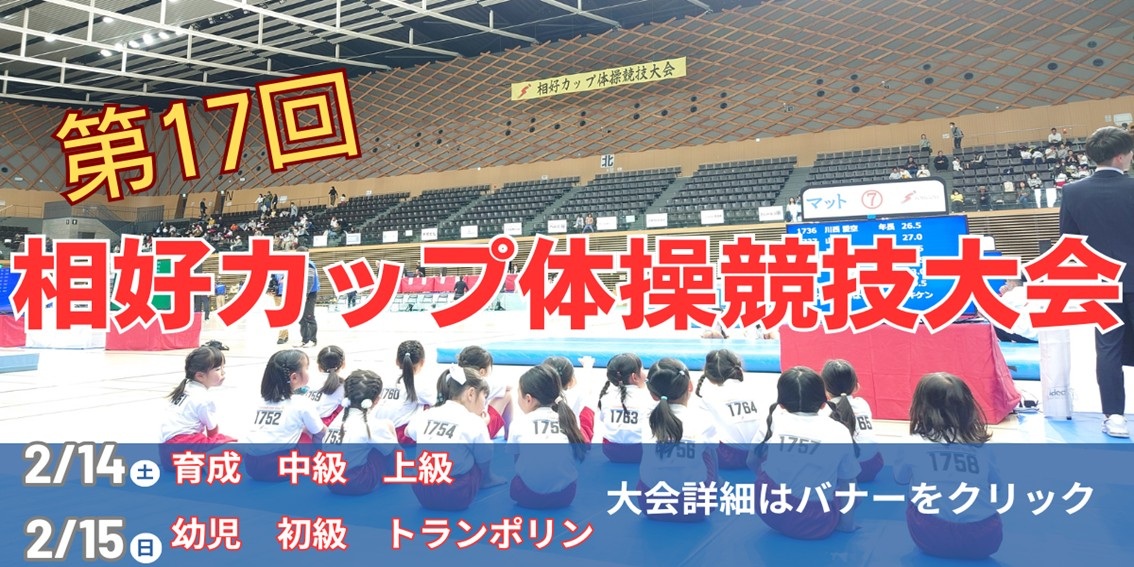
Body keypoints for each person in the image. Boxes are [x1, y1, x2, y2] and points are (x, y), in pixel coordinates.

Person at [1059, 126, 1134, 438]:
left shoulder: (1072, 192)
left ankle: (1114, 417)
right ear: (1120, 157)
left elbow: (1069, 243)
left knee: (1108, 350)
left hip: (1101, 283)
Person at [893, 373, 1001, 559]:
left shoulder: (912, 442)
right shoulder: (982, 446)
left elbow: (900, 478)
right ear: (968, 407)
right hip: (984, 538)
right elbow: (997, 486)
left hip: (931, 536)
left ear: (920, 407)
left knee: (913, 489)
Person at [749, 367, 859, 539]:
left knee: (766, 454)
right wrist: (847, 525)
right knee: (852, 490)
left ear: (781, 404)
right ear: (824, 403)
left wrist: (770, 479)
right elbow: (848, 482)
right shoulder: (838, 430)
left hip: (767, 509)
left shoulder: (774, 421)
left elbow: (751, 461)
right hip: (815, 522)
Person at [405, 365, 505, 509]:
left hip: (422, 492)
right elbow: (484, 457)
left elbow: (408, 432)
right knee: (476, 451)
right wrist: (481, 425)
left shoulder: (427, 414)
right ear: (471, 394)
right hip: (456, 494)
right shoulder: (474, 422)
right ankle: (487, 481)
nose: (484, 405)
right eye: (484, 397)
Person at [639, 358, 717, 522]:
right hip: (696, 506)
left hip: (650, 504)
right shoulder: (703, 419)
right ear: (690, 386)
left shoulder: (645, 418)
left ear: (652, 394)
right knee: (708, 451)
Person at [508, 364, 589, 508]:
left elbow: (517, 461)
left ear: (528, 399)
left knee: (516, 483)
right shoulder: (568, 420)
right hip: (565, 496)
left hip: (529, 496)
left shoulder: (519, 423)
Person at [243, 350, 327, 481]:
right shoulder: (301, 402)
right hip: (280, 467)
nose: (308, 371)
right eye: (306, 368)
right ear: (294, 377)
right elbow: (321, 432)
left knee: (297, 429)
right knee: (308, 434)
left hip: (251, 465)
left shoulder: (259, 400)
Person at [158, 346, 235, 471]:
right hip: (184, 448)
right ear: (200, 376)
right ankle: (204, 463)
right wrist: (214, 446)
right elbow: (213, 431)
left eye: (223, 368)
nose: (223, 372)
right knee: (233, 445)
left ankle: (196, 462)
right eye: (217, 369)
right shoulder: (203, 398)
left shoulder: (185, 388)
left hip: (166, 455)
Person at [324, 370, 397, 495]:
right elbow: (397, 455)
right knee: (385, 444)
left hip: (330, 481)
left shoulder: (339, 418)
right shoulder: (371, 424)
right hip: (356, 483)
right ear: (376, 400)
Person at [694, 349, 764, 469]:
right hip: (759, 455)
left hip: (730, 457)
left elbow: (704, 436)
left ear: (709, 374)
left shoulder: (709, 397)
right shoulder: (756, 388)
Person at [820, 359, 882, 482]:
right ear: (856, 386)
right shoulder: (862, 404)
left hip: (846, 472)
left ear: (825, 389)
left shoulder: (825, 411)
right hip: (874, 463)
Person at [596, 353, 654, 463]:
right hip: (639, 451)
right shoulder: (647, 397)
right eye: (642, 370)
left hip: (610, 451)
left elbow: (602, 419)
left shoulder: (606, 396)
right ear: (634, 377)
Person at [373, 340, 433, 446]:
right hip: (400, 436)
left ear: (396, 361)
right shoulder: (421, 385)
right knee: (428, 407)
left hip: (376, 432)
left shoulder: (384, 378)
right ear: (422, 362)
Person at [458, 346, 512, 439]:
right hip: (480, 431)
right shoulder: (485, 384)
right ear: (482, 372)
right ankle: (509, 433)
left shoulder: (452, 382)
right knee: (507, 394)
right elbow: (509, 387)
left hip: (457, 430)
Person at [542, 356, 594, 443]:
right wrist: (588, 366)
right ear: (571, 380)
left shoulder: (536, 394)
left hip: (547, 436)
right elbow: (587, 389)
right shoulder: (577, 394)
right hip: (574, 438)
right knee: (587, 407)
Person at [308, 346, 346, 425]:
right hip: (325, 424)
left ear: (319, 365)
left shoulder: (309, 379)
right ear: (343, 364)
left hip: (305, 420)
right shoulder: (344, 385)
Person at [995, 278, 1037, 343]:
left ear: (1012, 283)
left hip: (1027, 337)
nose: (1005, 284)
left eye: (1006, 282)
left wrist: (1004, 295)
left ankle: (1005, 344)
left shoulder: (1010, 295)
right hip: (1040, 336)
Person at [297, 247, 319, 348]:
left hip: (309, 294)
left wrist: (305, 294)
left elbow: (310, 280)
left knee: (309, 316)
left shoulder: (309, 264)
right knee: (301, 318)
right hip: (301, 293)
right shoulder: (300, 263)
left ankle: (312, 340)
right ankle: (304, 339)